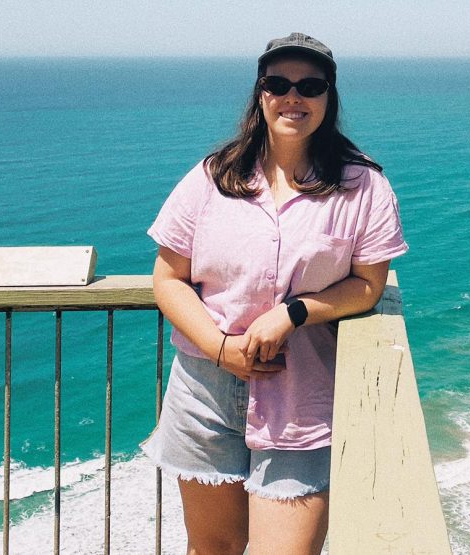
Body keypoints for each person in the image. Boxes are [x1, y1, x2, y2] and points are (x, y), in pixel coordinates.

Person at [142, 32, 408, 555]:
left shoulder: (363, 186)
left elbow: (368, 285)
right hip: (204, 390)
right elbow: (168, 279)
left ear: (329, 97)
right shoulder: (213, 177)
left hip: (302, 397)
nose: (293, 97)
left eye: (310, 86)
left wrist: (293, 313)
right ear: (260, 94)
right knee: (211, 549)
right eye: (278, 84)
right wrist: (221, 348)